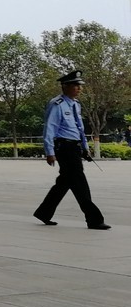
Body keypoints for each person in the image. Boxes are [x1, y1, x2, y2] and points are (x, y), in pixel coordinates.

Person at [33, 70, 109, 230]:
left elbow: (79, 129)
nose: (79, 89)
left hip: (74, 147)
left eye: (80, 86)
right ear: (65, 86)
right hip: (64, 148)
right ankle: (94, 219)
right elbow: (50, 129)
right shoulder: (57, 104)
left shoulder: (75, 105)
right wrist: (50, 152)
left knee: (64, 182)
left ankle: (44, 212)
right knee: (79, 182)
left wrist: (85, 148)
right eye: (75, 85)